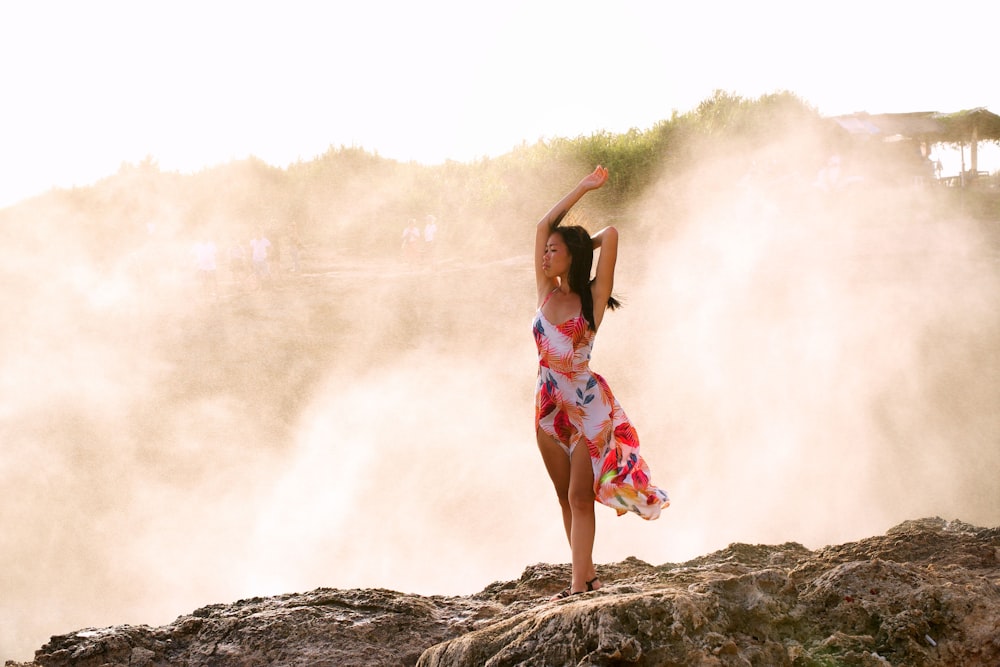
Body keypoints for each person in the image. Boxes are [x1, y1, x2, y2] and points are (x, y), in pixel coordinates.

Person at [533, 165, 669, 600]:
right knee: (563, 497)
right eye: (546, 251)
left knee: (579, 496)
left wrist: (578, 245)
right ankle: (587, 575)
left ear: (570, 254)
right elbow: (541, 225)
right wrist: (580, 188)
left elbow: (609, 233)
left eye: (553, 251)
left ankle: (578, 587)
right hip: (549, 406)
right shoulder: (546, 292)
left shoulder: (591, 299)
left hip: (588, 406)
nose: (545, 256)